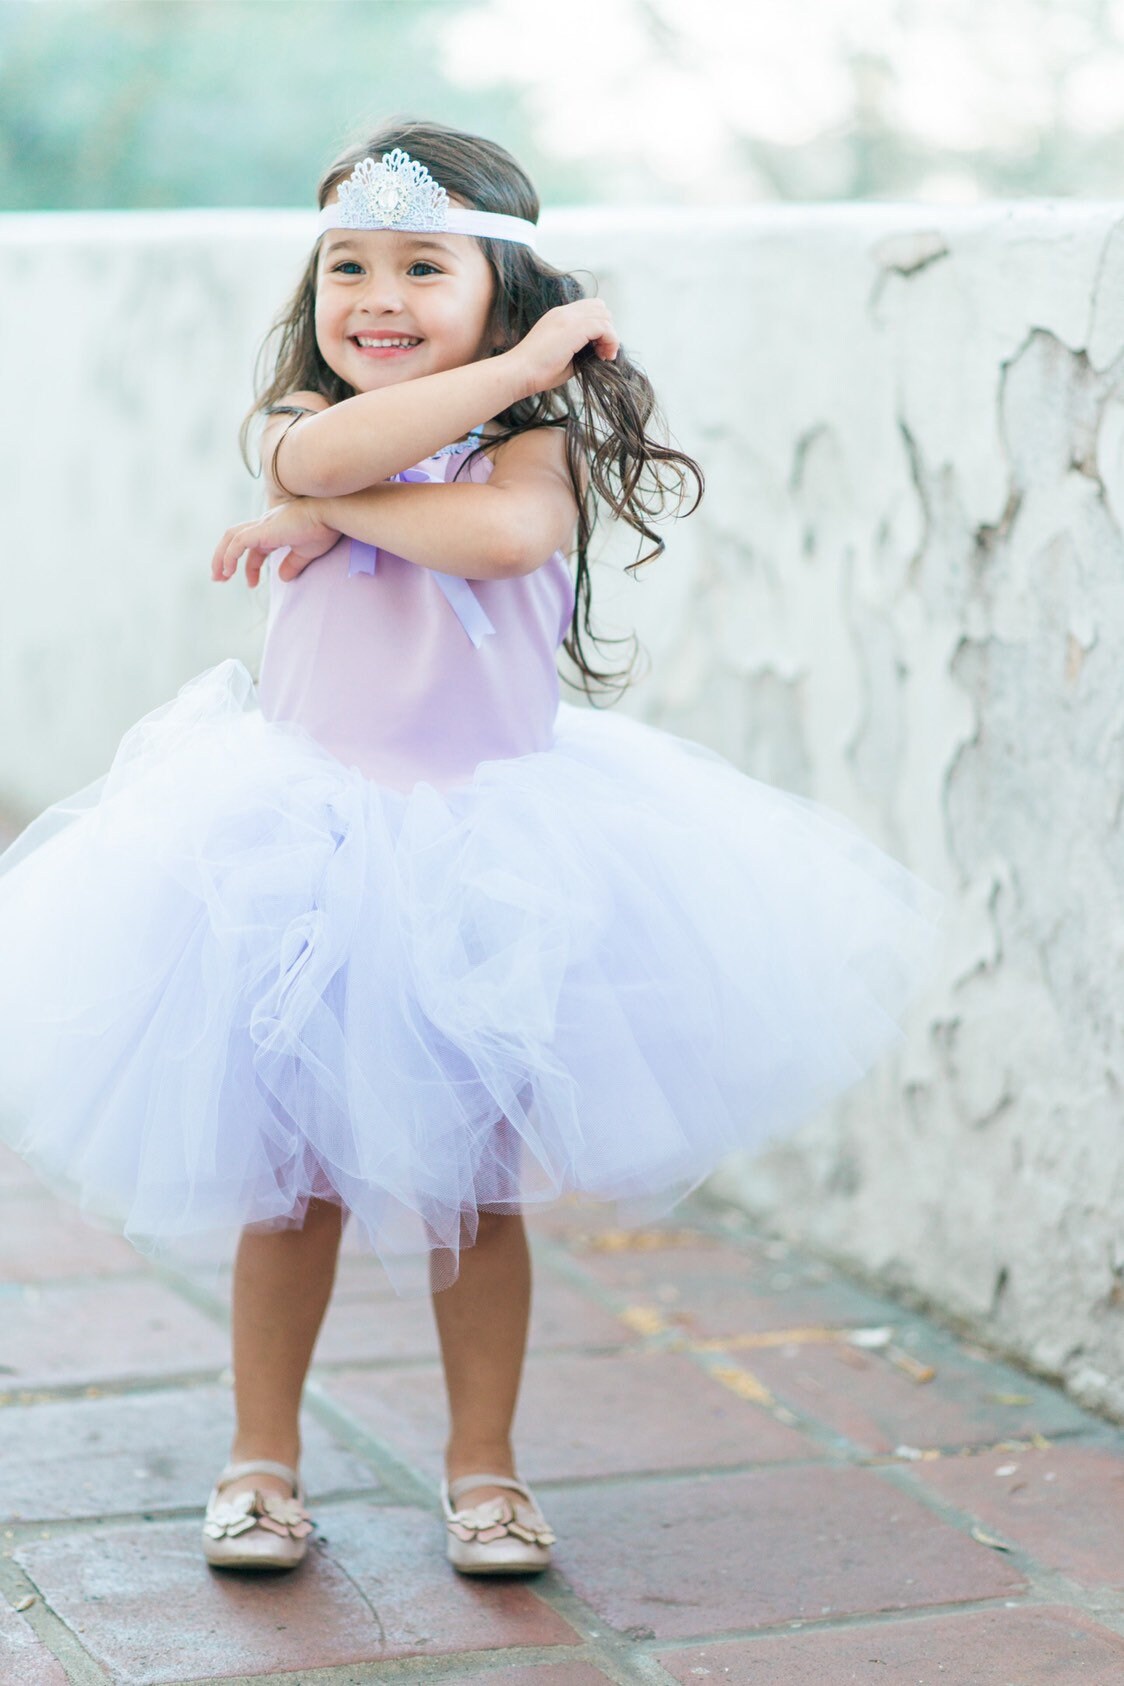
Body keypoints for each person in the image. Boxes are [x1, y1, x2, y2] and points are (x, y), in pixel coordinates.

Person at [0, 119, 942, 1579]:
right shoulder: (304, 429)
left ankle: (483, 1466)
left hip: (487, 859)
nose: (374, 296)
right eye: (346, 267)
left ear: (500, 285)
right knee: (290, 1181)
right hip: (296, 851)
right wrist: (382, 450)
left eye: (421, 266)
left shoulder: (531, 443)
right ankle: (261, 1458)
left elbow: (503, 542)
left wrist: (408, 465)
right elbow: (315, 451)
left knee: (474, 1189)